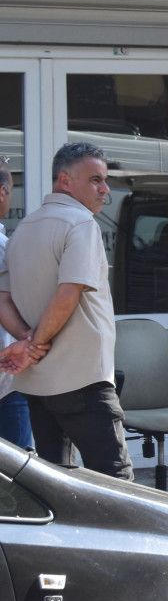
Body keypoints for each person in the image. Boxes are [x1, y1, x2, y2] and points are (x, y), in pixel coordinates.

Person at [0, 142, 134, 479]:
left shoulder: (23, 228)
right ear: (65, 180)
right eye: (95, 179)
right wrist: (33, 344)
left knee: (56, 484)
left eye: (105, 180)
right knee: (117, 482)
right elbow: (69, 292)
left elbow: (3, 299)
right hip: (82, 379)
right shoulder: (80, 224)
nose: (105, 189)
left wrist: (27, 342)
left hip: (37, 383)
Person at [0, 161, 32, 449]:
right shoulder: (3, 247)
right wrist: (31, 340)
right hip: (7, 377)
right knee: (17, 469)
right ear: (2, 193)